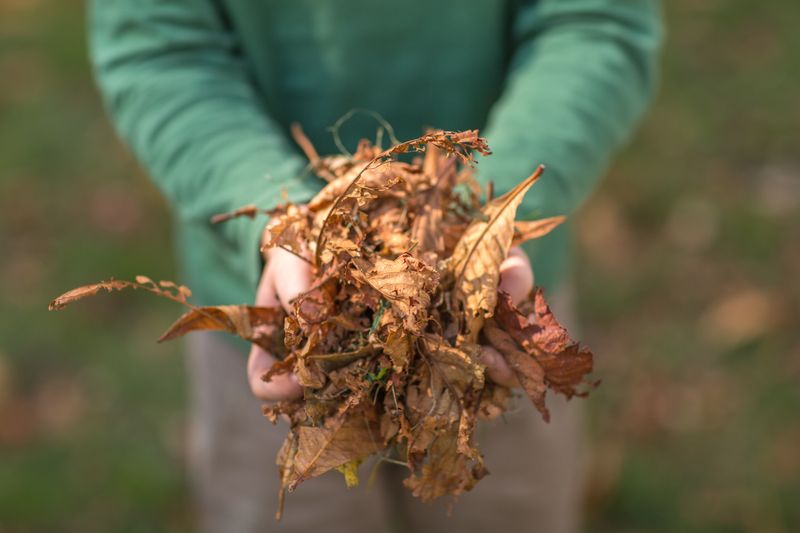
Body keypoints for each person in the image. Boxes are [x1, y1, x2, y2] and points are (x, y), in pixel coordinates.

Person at [89, 1, 662, 531]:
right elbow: (160, 49)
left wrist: (490, 220)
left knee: (502, 504)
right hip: (281, 327)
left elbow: (595, 21)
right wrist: (286, 223)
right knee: (291, 506)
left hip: (499, 311)